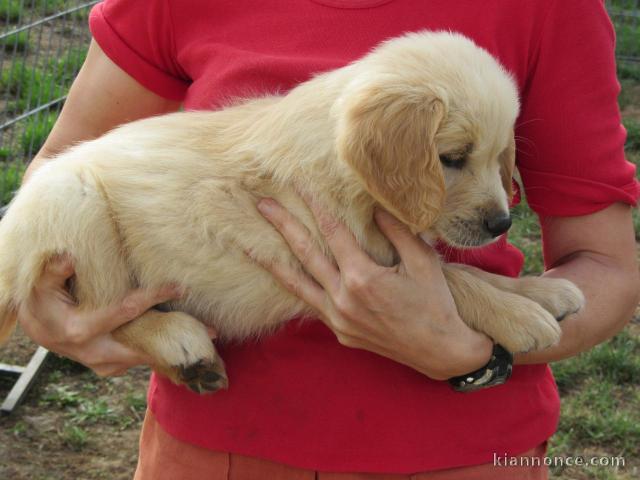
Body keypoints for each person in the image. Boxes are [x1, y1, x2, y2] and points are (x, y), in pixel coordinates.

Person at [17, 1, 639, 478]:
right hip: (220, 446)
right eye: (453, 159)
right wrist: (49, 311)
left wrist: (476, 353)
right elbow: (60, 174)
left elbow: (607, 266)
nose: (497, 197)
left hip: (462, 450)